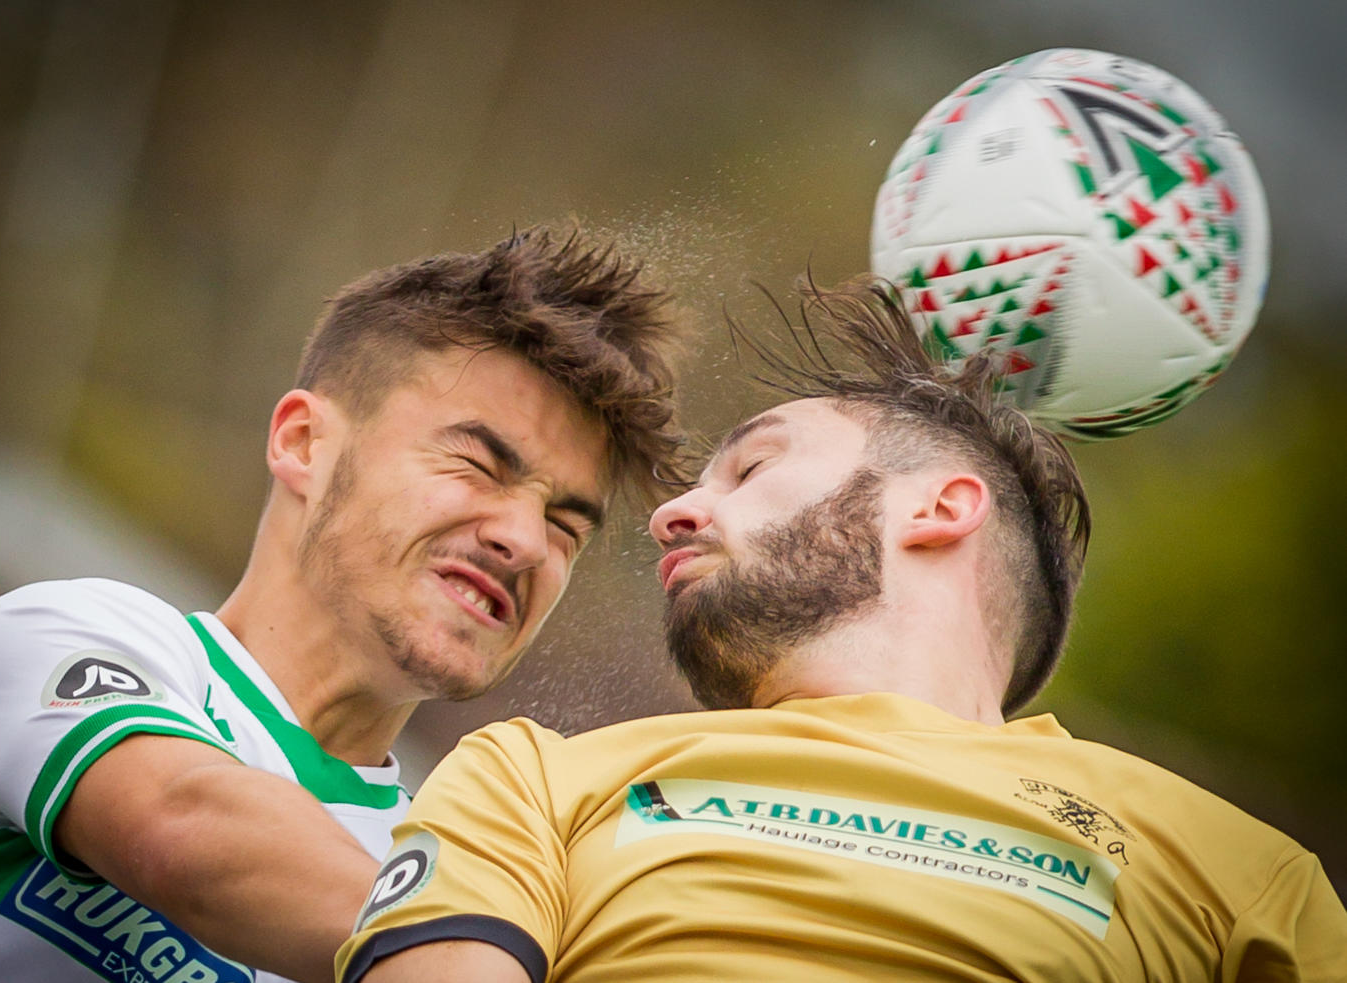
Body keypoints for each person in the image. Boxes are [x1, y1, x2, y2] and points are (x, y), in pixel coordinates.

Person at [336, 274, 1347, 983]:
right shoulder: (533, 779)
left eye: (752, 465)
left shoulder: (1237, 873)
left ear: (937, 509)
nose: (668, 514)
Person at [0, 225, 690, 983]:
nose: (521, 538)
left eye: (564, 524)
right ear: (303, 442)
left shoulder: (455, 855)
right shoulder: (62, 632)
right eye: (478, 464)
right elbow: (182, 827)